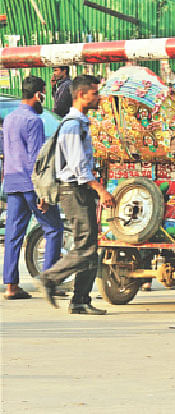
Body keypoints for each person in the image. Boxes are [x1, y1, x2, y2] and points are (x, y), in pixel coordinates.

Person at [39, 75, 115, 315]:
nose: (98, 97)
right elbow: (77, 166)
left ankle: (80, 300)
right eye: (94, 93)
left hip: (79, 190)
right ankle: (50, 278)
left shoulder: (80, 123)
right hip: (74, 190)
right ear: (81, 95)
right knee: (86, 247)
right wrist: (100, 189)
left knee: (91, 245)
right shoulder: (72, 125)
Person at [2, 76, 64, 300]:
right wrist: (42, 192)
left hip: (12, 181)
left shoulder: (9, 119)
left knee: (13, 235)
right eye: (44, 94)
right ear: (38, 95)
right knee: (54, 228)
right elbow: (36, 159)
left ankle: (11, 285)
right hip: (30, 184)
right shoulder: (33, 121)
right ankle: (49, 282)